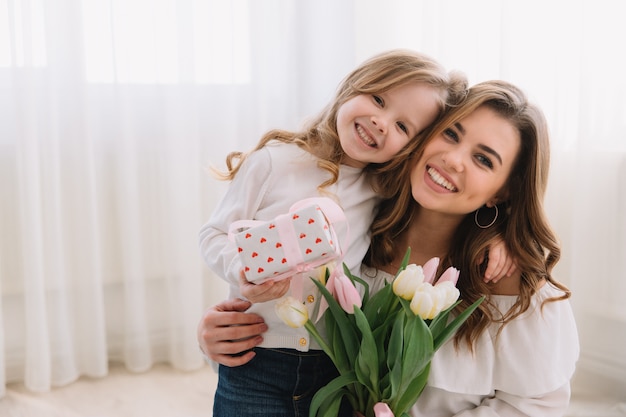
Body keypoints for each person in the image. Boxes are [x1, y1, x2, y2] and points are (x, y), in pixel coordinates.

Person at [198, 80, 579, 416]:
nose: (452, 159)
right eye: (450, 135)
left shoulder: (506, 276)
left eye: (483, 159)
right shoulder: (359, 230)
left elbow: (537, 406)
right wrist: (216, 334)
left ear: (505, 190)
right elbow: (285, 303)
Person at [199, 49, 469, 417]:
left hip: (335, 366)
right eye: (378, 99)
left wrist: (500, 242)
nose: (381, 122)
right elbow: (214, 235)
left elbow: (453, 214)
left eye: (403, 126)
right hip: (256, 356)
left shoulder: (383, 192)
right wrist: (241, 270)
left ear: (411, 148)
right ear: (352, 86)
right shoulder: (274, 161)